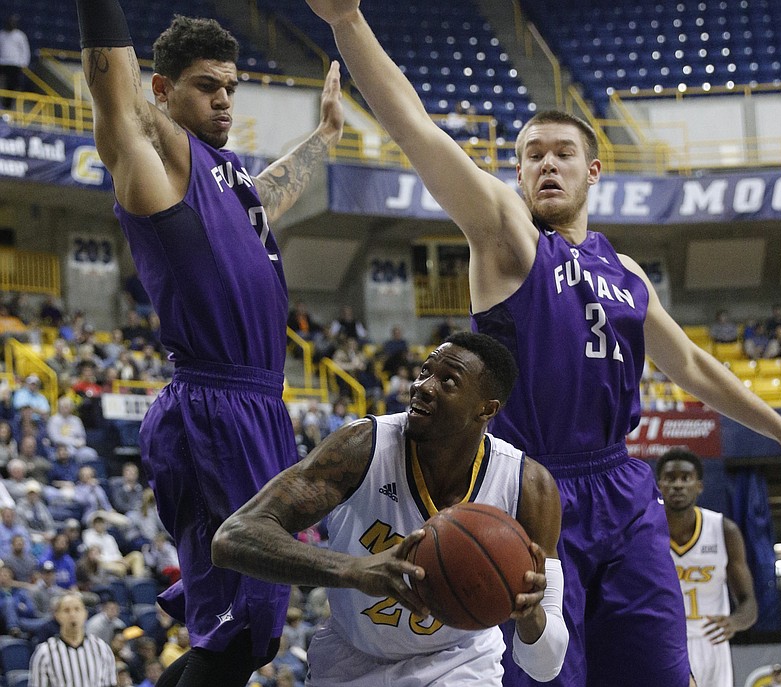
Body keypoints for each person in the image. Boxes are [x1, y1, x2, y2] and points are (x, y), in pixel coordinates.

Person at [302, 4, 781, 686]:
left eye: (563, 153)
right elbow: (416, 130)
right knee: (546, 674)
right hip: (529, 488)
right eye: (532, 154)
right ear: (516, 174)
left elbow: (689, 364)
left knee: (660, 672)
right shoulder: (508, 239)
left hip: (624, 489)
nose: (547, 165)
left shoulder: (624, 274)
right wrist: (348, 22)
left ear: (594, 170)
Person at [73, 1, 344, 685]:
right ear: (163, 91)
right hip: (212, 410)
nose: (224, 100)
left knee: (248, 636)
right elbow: (115, 91)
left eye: (230, 87)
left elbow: (273, 190)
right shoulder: (152, 162)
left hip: (258, 409)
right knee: (236, 634)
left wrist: (326, 136)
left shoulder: (230, 180)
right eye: (206, 86)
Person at [212, 332, 567, 686]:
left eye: (447, 381)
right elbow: (232, 538)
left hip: (459, 664)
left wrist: (530, 613)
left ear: (486, 409)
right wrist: (350, 569)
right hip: (351, 660)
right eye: (424, 371)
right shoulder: (361, 448)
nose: (423, 386)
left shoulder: (528, 487)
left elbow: (546, 665)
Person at [656, 449, 758, 687]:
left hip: (712, 642)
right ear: (659, 485)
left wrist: (735, 622)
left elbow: (749, 603)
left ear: (699, 486)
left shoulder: (724, 530)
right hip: (666, 641)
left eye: (686, 478)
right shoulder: (646, 531)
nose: (678, 485)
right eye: (670, 478)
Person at [29, 591, 118, 687]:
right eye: (66, 610)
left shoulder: (102, 648)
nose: (72, 614)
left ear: (85, 614)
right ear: (57, 616)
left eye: (77, 609)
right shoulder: (44, 653)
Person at [0, 14, 30, 110]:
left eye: (12, 23)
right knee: (3, 84)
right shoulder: (1, 34)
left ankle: (8, 106)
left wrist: (24, 63)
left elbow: (25, 50)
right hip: (2, 63)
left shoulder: (20, 36)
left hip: (15, 64)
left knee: (11, 85)